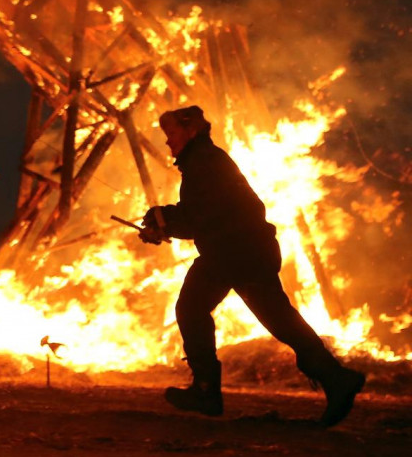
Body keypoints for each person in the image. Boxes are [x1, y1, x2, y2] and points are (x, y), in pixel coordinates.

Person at [139, 105, 365, 426]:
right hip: (239, 251)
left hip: (236, 252)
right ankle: (335, 378)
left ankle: (207, 390)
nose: (167, 141)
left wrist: (164, 218)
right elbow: (201, 216)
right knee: (273, 318)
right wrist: (163, 224)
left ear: (190, 131)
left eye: (172, 133)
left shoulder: (204, 162)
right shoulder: (204, 161)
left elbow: (201, 215)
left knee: (200, 308)